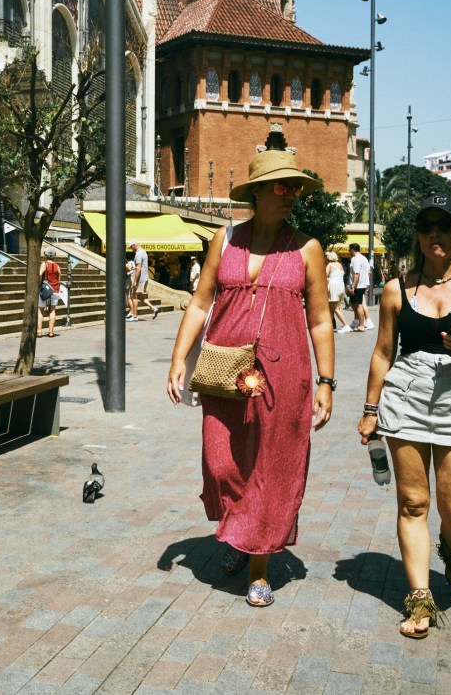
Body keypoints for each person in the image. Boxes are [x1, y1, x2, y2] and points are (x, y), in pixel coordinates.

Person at [166, 142, 335, 609]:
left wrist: (326, 381)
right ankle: (242, 532)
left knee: (271, 467)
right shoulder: (224, 240)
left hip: (286, 377)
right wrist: (180, 356)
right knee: (222, 463)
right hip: (226, 370)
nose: (292, 196)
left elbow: (321, 320)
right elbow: (200, 302)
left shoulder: (308, 249)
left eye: (297, 189)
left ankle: (258, 563)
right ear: (258, 192)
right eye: (283, 187)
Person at [357, 194, 451, 639]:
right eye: (426, 227)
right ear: (419, 236)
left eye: (444, 226)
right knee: (414, 503)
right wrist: (369, 409)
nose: (434, 234)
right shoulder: (396, 289)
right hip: (404, 397)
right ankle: (419, 598)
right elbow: (383, 353)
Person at [127, 241, 159, 321]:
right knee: (140, 296)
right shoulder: (143, 252)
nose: (131, 249)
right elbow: (140, 267)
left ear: (134, 245)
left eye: (131, 247)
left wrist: (134, 281)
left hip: (140, 278)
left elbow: (139, 268)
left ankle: (135, 316)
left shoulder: (138, 254)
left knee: (134, 296)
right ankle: (153, 308)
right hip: (144, 277)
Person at [37, 249, 62, 338]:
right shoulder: (57, 266)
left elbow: (40, 274)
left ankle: (39, 331)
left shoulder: (44, 264)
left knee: (41, 310)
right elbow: (59, 278)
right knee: (52, 310)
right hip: (54, 289)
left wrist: (39, 284)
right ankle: (51, 331)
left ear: (46, 256)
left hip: (45, 289)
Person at [347, 243, 373, 331]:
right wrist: (366, 284)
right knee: (353, 303)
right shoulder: (364, 258)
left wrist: (353, 286)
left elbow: (356, 274)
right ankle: (359, 321)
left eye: (349, 250)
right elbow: (369, 272)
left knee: (358, 305)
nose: (349, 252)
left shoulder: (356, 259)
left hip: (357, 286)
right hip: (361, 284)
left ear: (352, 250)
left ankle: (362, 325)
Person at [326, 251, 350, 332]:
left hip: (334, 286)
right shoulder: (340, 265)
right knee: (331, 307)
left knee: (335, 308)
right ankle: (330, 325)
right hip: (340, 286)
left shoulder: (330, 265)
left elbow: (324, 275)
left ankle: (345, 325)